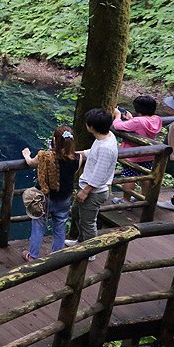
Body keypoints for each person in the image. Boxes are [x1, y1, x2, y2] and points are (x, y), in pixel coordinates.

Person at [20, 125, 77, 261]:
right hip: (64, 199)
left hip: (44, 198)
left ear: (54, 141)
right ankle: (57, 256)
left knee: (38, 226)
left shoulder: (44, 156)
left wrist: (26, 155)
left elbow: (30, 163)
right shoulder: (78, 158)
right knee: (60, 226)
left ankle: (33, 255)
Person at [72, 109, 118, 258]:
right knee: (77, 213)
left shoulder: (105, 148)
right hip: (90, 188)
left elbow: (99, 173)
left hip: (94, 191)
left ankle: (91, 252)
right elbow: (93, 152)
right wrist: (78, 153)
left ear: (91, 127)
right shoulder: (106, 137)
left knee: (88, 222)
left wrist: (85, 191)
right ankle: (81, 241)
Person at [111, 95, 163, 204]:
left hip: (133, 155)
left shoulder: (138, 121)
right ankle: (144, 197)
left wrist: (117, 116)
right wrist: (131, 119)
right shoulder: (157, 119)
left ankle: (126, 200)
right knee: (146, 176)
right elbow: (141, 126)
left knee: (130, 176)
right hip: (148, 154)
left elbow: (117, 126)